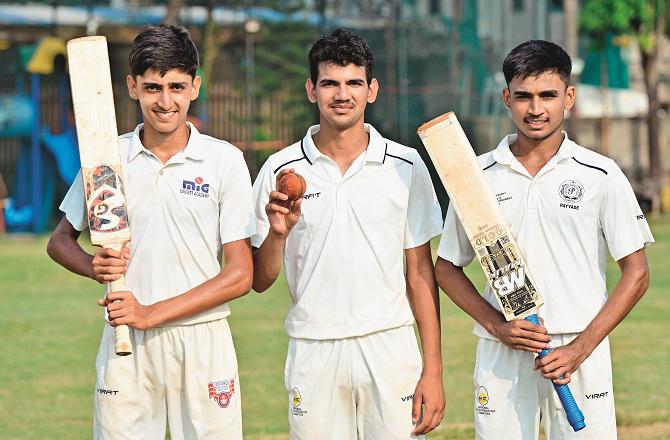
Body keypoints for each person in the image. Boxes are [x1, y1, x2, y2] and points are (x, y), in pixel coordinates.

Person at [434, 40, 654, 439]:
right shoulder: (475, 176)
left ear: (568, 97)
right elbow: (446, 267)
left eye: (547, 95)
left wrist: (580, 348)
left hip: (578, 347)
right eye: (523, 96)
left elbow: (636, 273)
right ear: (506, 97)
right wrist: (497, 325)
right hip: (504, 347)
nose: (535, 109)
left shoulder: (599, 174)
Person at [47, 24, 254, 439]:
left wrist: (150, 313)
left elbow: (240, 275)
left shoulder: (223, 161)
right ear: (132, 87)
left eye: (176, 87)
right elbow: (59, 242)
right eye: (153, 87)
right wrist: (95, 266)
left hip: (202, 341)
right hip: (126, 343)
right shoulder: (107, 157)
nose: (165, 101)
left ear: (195, 86)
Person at [251, 28, 445, 439]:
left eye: (354, 83)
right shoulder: (279, 169)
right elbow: (261, 279)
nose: (342, 94)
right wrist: (278, 235)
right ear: (311, 90)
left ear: (371, 90)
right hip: (313, 348)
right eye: (330, 84)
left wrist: (434, 369)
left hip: (389, 347)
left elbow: (420, 274)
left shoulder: (406, 165)